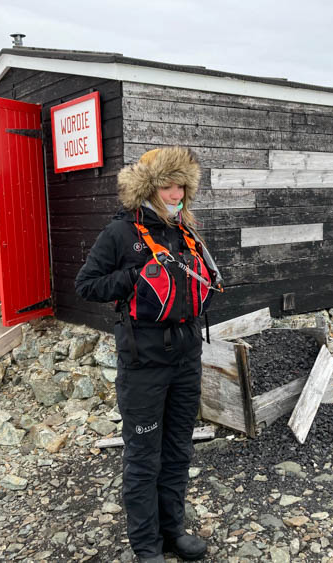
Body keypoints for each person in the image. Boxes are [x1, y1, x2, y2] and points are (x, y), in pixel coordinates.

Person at [75, 146, 223, 562]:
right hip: (143, 363)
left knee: (178, 449)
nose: (175, 195)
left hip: (186, 357)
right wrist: (138, 276)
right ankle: (146, 546)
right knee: (144, 456)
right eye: (167, 186)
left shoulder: (186, 231)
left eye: (181, 187)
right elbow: (87, 286)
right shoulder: (121, 233)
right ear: (149, 187)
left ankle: (172, 530)